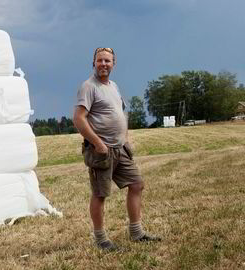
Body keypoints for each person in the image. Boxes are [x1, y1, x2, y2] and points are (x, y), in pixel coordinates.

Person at [73, 47, 160, 251]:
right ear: (93, 63)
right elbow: (78, 118)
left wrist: (125, 139)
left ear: (114, 64)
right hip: (101, 151)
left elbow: (121, 113)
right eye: (100, 60)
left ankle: (137, 232)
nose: (104, 64)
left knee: (137, 184)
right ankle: (101, 240)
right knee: (100, 194)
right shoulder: (88, 87)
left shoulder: (114, 86)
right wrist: (98, 143)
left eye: (108, 61)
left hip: (120, 149)